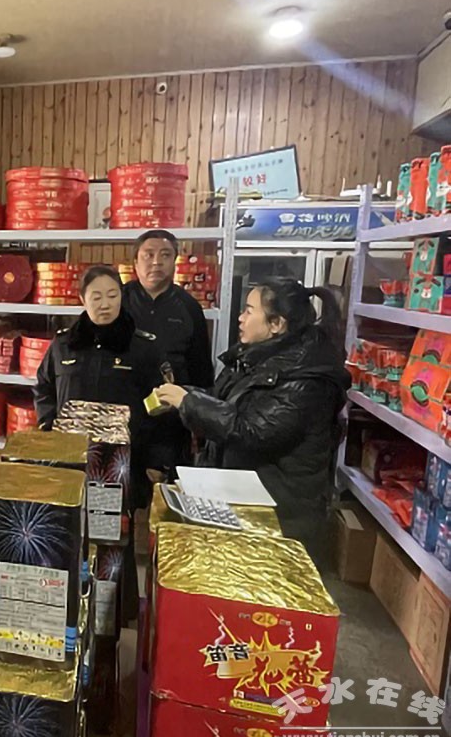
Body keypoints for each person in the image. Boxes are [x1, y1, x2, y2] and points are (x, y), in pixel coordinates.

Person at [155, 278, 350, 564]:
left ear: (276, 324)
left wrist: (189, 402)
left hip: (279, 520)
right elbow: (226, 402)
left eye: (249, 310)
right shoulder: (256, 358)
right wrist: (185, 395)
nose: (240, 317)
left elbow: (252, 430)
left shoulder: (306, 380)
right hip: (245, 504)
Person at [34, 265, 168, 512]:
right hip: (70, 457)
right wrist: (48, 425)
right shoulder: (63, 345)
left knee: (111, 526)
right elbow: (44, 387)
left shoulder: (142, 348)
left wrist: (156, 459)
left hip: (123, 463)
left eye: (112, 295)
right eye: (96, 297)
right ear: (83, 299)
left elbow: (161, 404)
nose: (105, 304)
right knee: (68, 519)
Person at [123, 229, 215, 469]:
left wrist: (200, 426)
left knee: (164, 484)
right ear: (135, 262)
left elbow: (201, 369)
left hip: (170, 422)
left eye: (165, 255)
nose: (156, 262)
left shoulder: (189, 307)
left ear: (175, 261)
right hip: (122, 416)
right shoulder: (119, 301)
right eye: (148, 255)